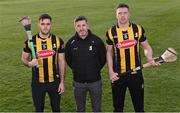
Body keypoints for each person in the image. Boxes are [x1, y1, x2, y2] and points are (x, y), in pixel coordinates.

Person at [106, 3, 160, 112]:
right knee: (117, 108)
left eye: (125, 13)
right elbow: (109, 53)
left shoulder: (137, 29)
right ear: (116, 15)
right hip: (118, 75)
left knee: (139, 108)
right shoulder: (111, 32)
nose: (122, 16)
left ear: (129, 14)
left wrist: (149, 57)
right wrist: (111, 71)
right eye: (120, 13)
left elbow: (146, 47)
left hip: (136, 74)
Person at [21, 13, 65, 112]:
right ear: (38, 24)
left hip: (54, 82)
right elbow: (23, 58)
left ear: (51, 25)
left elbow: (62, 62)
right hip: (37, 83)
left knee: (56, 109)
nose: (45, 26)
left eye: (48, 24)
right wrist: (29, 63)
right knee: (39, 109)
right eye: (43, 24)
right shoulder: (30, 41)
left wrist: (62, 82)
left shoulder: (58, 41)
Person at [65, 16, 106, 112]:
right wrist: (77, 69)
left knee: (96, 109)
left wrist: (94, 69)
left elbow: (103, 59)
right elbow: (68, 60)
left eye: (83, 25)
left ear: (88, 25)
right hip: (78, 83)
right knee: (80, 109)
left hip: (95, 82)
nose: (81, 28)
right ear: (75, 27)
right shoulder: (71, 43)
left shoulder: (97, 41)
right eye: (78, 26)